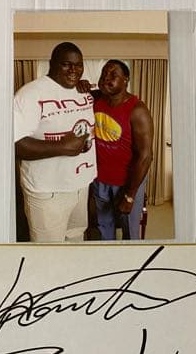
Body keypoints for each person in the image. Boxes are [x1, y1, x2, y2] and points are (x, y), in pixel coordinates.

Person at [14, 42, 96, 242]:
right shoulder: (30, 94)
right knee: (49, 252)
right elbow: (15, 144)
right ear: (52, 64)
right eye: (66, 64)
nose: (73, 70)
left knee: (75, 238)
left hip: (81, 185)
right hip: (48, 191)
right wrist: (62, 147)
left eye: (78, 65)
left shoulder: (82, 90)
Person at [91, 60, 154, 240]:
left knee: (130, 234)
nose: (106, 78)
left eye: (113, 75)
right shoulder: (95, 99)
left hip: (126, 183)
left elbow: (145, 156)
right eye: (104, 74)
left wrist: (130, 195)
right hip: (100, 180)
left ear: (126, 80)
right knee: (104, 227)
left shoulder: (138, 110)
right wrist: (82, 86)